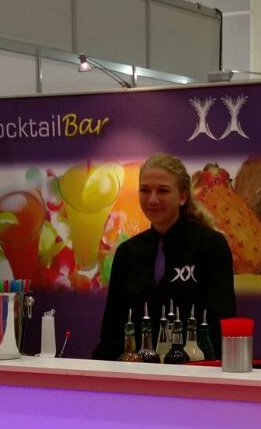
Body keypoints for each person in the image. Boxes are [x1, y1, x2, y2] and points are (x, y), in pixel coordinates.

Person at [93, 154, 236, 360]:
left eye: (163, 190)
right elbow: (112, 333)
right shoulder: (127, 253)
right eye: (145, 190)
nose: (152, 199)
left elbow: (219, 327)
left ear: (183, 197)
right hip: (137, 374)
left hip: (197, 372)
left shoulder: (211, 246)